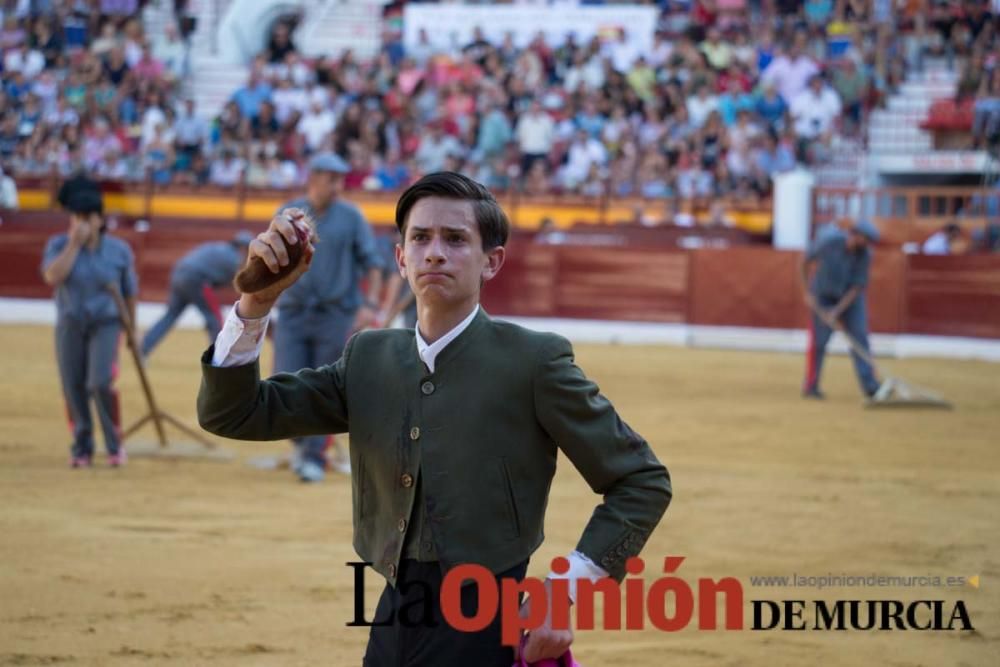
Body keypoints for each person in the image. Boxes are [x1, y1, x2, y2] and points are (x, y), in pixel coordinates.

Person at [197, 172, 672, 665]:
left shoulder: (534, 361)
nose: (435, 252)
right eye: (420, 238)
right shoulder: (368, 357)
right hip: (391, 614)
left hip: (488, 622)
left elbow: (641, 479)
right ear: (401, 258)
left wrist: (565, 589)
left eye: (456, 239)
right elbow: (235, 413)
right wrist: (257, 303)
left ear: (493, 262)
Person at [267, 152, 383, 482]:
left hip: (335, 314)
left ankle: (314, 456)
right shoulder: (289, 213)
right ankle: (305, 443)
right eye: (332, 179)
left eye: (340, 179)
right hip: (292, 311)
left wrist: (370, 304)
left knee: (321, 384)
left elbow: (371, 262)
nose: (337, 185)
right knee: (285, 380)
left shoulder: (351, 217)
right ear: (314, 177)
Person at [41, 188, 138, 467]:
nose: (80, 223)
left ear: (99, 219)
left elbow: (129, 292)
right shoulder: (59, 245)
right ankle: (82, 447)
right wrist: (73, 245)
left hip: (106, 324)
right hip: (70, 323)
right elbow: (52, 276)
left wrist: (130, 327)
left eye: (86, 217)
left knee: (99, 382)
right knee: (73, 385)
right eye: (76, 217)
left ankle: (113, 444)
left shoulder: (119, 250)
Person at [800, 218, 883, 400]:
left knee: (860, 338)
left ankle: (870, 386)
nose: (867, 244)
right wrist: (807, 292)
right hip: (822, 296)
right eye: (866, 239)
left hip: (850, 301)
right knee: (819, 343)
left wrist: (837, 311)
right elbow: (805, 262)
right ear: (856, 235)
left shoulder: (865, 255)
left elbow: (857, 287)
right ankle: (811, 385)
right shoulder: (829, 242)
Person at [140, 231, 254, 359]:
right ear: (244, 248)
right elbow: (240, 283)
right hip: (197, 281)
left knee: (170, 315)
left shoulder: (217, 248)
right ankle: (219, 356)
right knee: (214, 318)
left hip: (178, 275)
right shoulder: (233, 259)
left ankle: (144, 347)